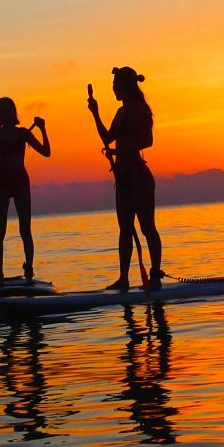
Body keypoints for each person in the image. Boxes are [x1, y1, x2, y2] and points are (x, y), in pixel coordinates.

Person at [87, 67, 163, 291]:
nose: (113, 89)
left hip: (139, 177)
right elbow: (107, 139)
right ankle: (123, 279)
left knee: (147, 227)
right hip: (123, 179)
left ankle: (155, 276)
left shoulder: (139, 109)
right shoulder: (121, 112)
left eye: (115, 85)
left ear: (125, 86)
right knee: (125, 229)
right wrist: (95, 113)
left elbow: (147, 140)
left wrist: (120, 153)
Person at [0, 97, 50, 286]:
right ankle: (0, 273)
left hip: (21, 182)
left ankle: (29, 270)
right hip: (1, 183)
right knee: (0, 229)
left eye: (9, 110)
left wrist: (43, 128)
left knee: (25, 229)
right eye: (1, 111)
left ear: (14, 112)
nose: (6, 114)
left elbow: (46, 152)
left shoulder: (24, 134)